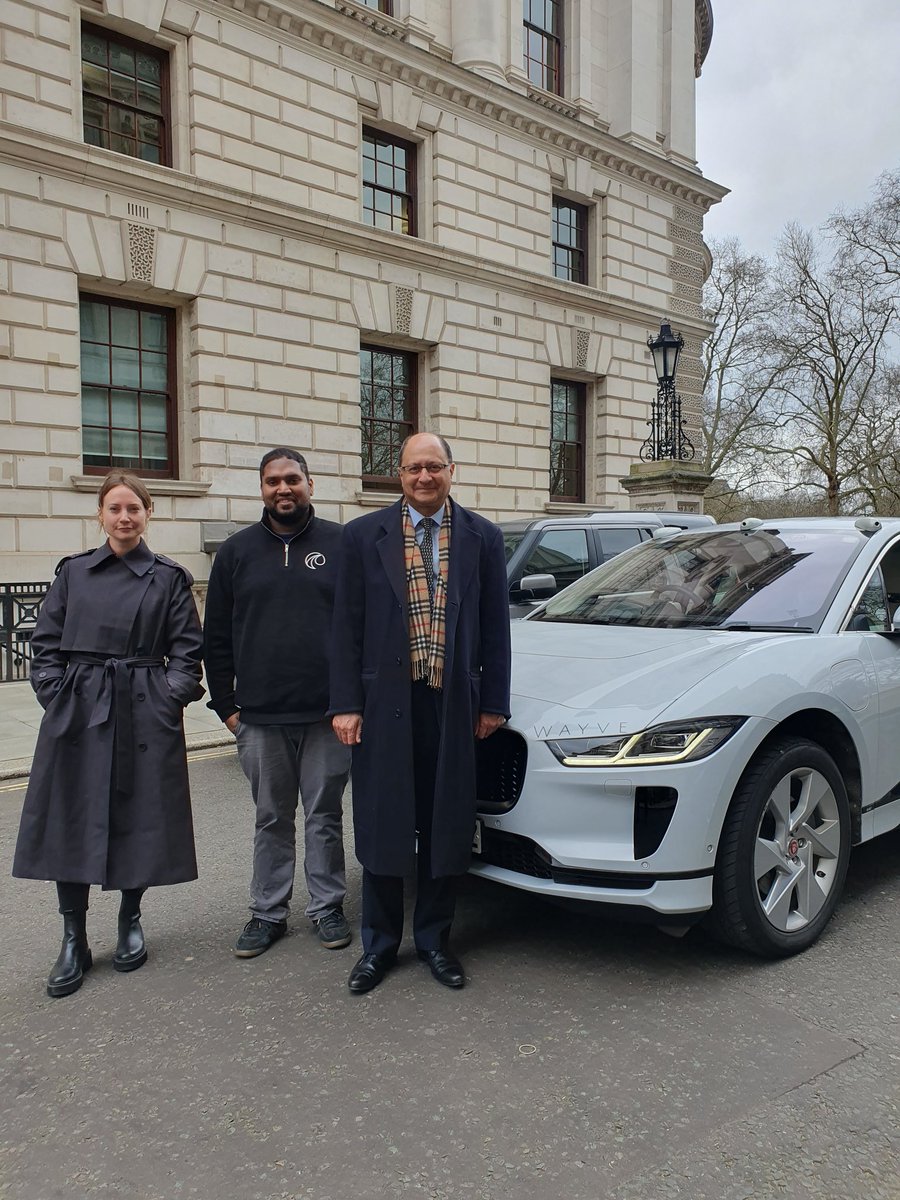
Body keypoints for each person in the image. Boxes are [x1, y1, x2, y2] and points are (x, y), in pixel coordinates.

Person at [330, 432, 511, 994]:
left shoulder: (483, 537)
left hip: (452, 703)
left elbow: (494, 628)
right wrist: (345, 704)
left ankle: (434, 940)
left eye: (434, 467)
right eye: (414, 469)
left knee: (444, 825)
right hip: (385, 703)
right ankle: (378, 946)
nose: (424, 477)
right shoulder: (363, 536)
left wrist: (493, 703)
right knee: (384, 822)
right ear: (399, 475)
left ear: (451, 471)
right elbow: (344, 628)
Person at [13, 472, 204, 998]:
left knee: (136, 815)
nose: (124, 517)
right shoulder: (73, 573)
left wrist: (167, 697)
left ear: (148, 515)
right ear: (100, 514)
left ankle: (130, 918)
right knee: (69, 816)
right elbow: (46, 642)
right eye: (115, 508)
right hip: (78, 708)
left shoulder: (167, 577)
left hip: (143, 708)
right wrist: (55, 692)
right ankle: (73, 936)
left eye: (134, 509)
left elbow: (188, 652)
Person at [203, 449, 351, 959]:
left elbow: (360, 628)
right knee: (271, 818)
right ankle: (267, 913)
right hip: (260, 715)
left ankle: (327, 906)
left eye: (292, 479)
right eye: (272, 481)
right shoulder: (236, 552)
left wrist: (353, 701)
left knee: (324, 815)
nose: (282, 488)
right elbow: (215, 635)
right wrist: (226, 705)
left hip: (328, 714)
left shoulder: (340, 544)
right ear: (261, 488)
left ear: (310, 483)